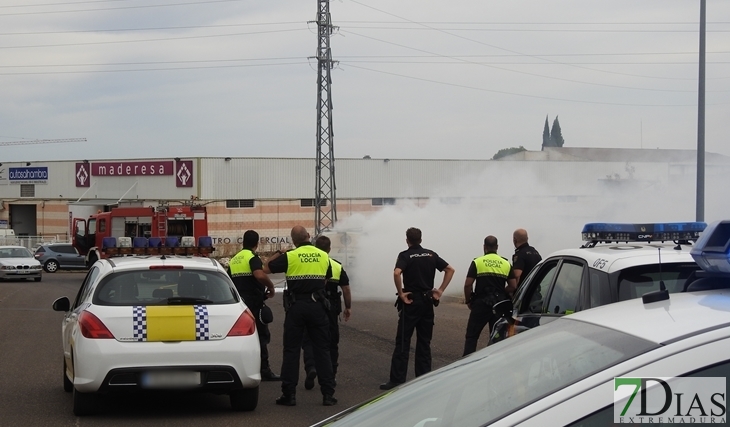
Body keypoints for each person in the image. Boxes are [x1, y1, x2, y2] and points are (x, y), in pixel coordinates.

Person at [264, 226, 337, 407]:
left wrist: (280, 252)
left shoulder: (290, 256)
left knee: (291, 350)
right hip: (318, 306)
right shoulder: (323, 256)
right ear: (309, 236)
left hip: (296, 307)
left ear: (294, 241)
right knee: (322, 350)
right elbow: (326, 278)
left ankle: (289, 395)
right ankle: (328, 394)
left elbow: (266, 268)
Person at [379, 227, 455, 391]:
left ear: (407, 240)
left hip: (411, 302)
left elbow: (397, 273)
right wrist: (440, 290)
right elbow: (450, 269)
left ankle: (397, 380)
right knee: (424, 342)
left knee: (403, 341)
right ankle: (424, 378)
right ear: (421, 239)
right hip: (427, 302)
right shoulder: (431, 254)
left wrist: (401, 294)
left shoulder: (405, 255)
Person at [227, 230, 280, 381]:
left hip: (239, 305)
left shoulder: (235, 259)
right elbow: (259, 274)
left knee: (241, 338)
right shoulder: (252, 257)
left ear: (242, 242)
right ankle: (264, 370)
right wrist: (271, 287)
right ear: (257, 244)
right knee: (261, 337)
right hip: (254, 304)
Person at [302, 235, 352, 390]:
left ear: (316, 248)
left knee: (309, 339)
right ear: (329, 249)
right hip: (331, 308)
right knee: (331, 342)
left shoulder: (309, 265)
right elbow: (346, 289)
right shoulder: (336, 265)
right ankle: (331, 375)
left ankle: (311, 367)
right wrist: (348, 307)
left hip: (313, 305)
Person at [462, 235, 517, 356]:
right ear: (497, 247)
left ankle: (466, 364)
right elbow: (513, 286)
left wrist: (468, 300)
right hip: (499, 305)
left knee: (472, 336)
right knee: (497, 338)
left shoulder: (477, 262)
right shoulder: (506, 263)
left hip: (480, 304)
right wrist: (502, 291)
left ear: (484, 247)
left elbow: (468, 284)